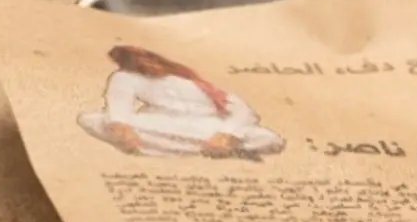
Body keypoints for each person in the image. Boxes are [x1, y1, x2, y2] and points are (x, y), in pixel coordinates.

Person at [77, 45, 284, 161]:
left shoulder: (191, 81)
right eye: (136, 61)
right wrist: (121, 125)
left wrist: (227, 134)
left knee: (268, 138)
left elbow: (240, 109)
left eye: (147, 58)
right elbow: (119, 103)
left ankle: (203, 147)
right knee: (92, 120)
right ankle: (190, 148)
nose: (146, 64)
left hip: (207, 126)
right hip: (159, 122)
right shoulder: (127, 77)